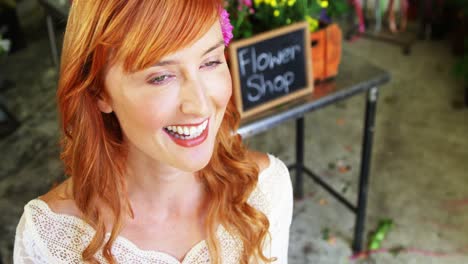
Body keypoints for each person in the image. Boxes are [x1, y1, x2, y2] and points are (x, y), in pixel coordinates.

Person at [13, 0, 293, 263]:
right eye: (161, 77)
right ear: (100, 92)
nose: (200, 105)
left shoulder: (265, 191)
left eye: (210, 62)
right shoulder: (49, 241)